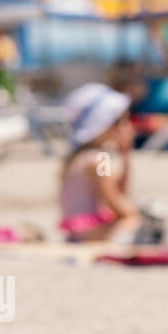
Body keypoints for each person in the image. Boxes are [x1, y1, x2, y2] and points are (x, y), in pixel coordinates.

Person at [57, 84, 143, 242]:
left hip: (76, 231)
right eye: (123, 122)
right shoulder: (100, 159)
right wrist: (135, 214)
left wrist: (126, 156)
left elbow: (117, 191)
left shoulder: (83, 156)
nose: (129, 127)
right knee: (136, 221)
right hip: (87, 232)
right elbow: (116, 202)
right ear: (108, 124)